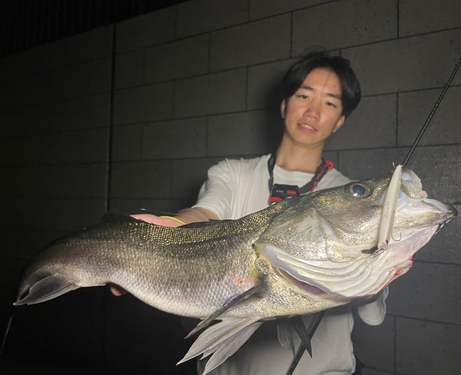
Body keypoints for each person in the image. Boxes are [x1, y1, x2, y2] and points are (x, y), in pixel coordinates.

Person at [111, 51, 388, 374]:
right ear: (284, 104)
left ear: (340, 120)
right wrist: (171, 225)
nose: (312, 111)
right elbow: (205, 213)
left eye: (330, 103)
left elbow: (371, 305)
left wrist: (374, 277)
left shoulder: (355, 199)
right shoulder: (232, 174)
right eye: (303, 95)